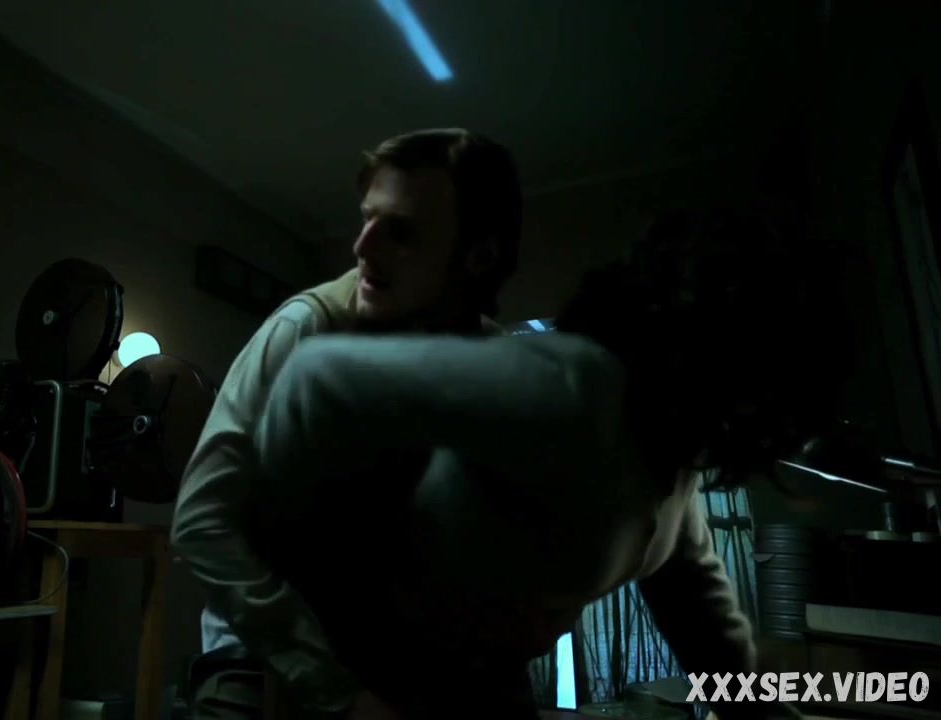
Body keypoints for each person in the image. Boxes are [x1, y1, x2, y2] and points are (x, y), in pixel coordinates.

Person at [250, 209, 845, 719]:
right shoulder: (568, 388)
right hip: (382, 669)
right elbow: (316, 380)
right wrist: (340, 674)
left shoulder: (673, 460)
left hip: (487, 676)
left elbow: (695, 602)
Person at [170, 128, 524, 718]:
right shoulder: (306, 330)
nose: (363, 247)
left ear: (477, 258)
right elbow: (202, 522)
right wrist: (336, 689)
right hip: (268, 651)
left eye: (400, 232)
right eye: (366, 219)